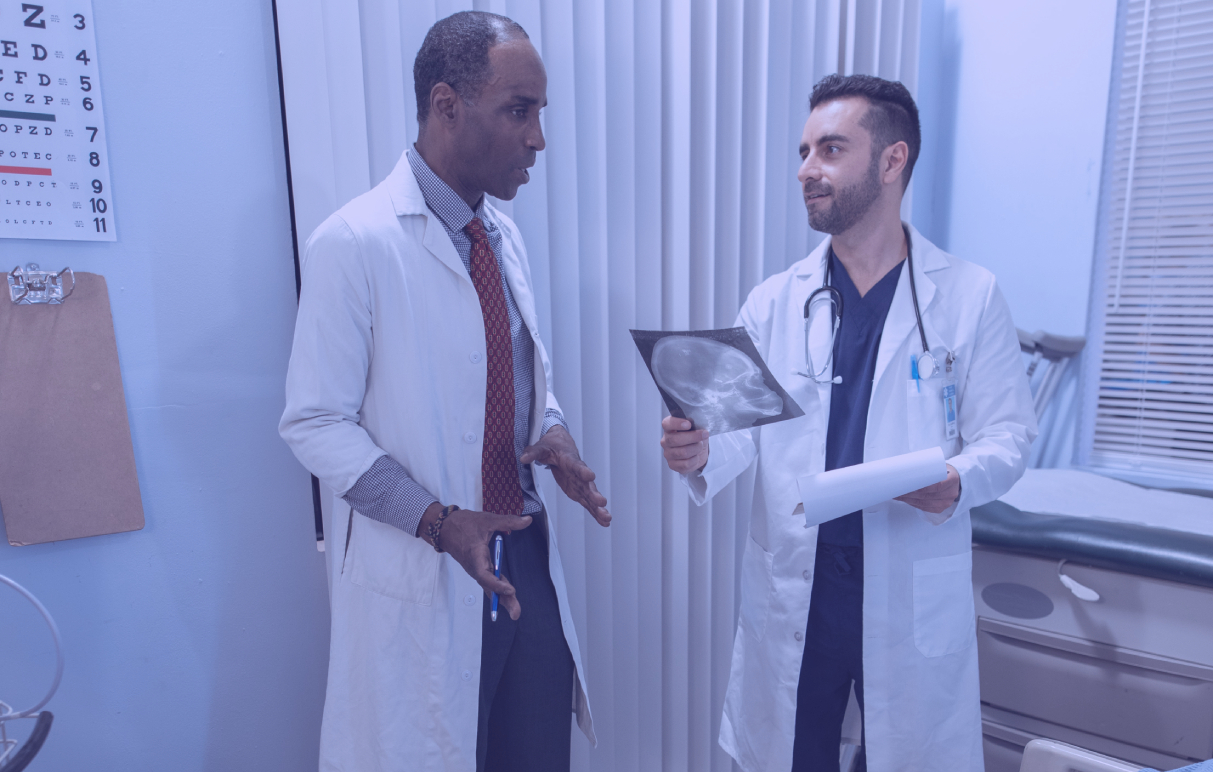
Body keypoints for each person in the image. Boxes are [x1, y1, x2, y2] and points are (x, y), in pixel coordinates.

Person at [660, 74, 1036, 771]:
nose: (807, 169)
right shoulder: (775, 302)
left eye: (830, 149)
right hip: (801, 582)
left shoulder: (969, 296)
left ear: (892, 161)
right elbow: (738, 432)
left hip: (906, 576)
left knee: (906, 753)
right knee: (794, 754)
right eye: (804, 152)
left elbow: (1009, 436)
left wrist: (957, 479)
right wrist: (699, 451)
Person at [280, 12, 608, 772]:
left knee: (533, 755)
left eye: (539, 113)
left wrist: (552, 429)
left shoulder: (501, 237)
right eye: (518, 111)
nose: (538, 139)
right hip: (429, 562)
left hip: (520, 553)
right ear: (446, 105)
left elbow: (517, 378)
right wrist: (437, 521)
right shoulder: (354, 244)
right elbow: (314, 422)